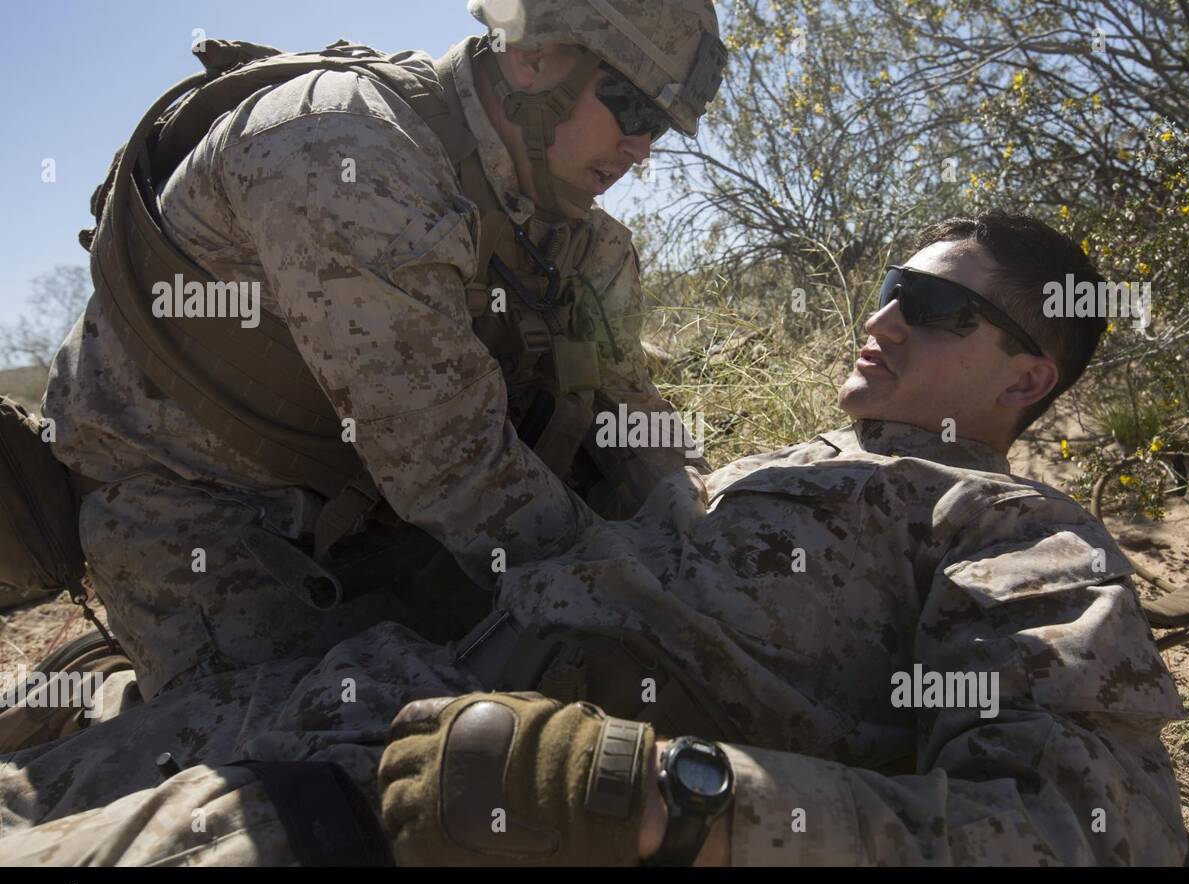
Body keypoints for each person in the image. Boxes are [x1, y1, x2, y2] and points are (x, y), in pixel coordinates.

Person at [0, 212, 1187, 866]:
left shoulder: (1013, 527)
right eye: (889, 283)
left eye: (935, 308)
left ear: (1028, 374)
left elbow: (1090, 827)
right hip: (305, 702)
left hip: (400, 810)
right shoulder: (756, 465)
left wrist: (669, 798)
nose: (882, 316)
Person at [38, 0, 726, 702]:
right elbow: (453, 467)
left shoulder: (587, 244)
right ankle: (89, 702)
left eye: (661, 131)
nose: (642, 150)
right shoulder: (341, 153)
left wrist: (709, 537)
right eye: (633, 109)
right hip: (203, 514)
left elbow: (635, 416)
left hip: (377, 511)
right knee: (366, 764)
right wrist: (650, 609)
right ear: (536, 58)